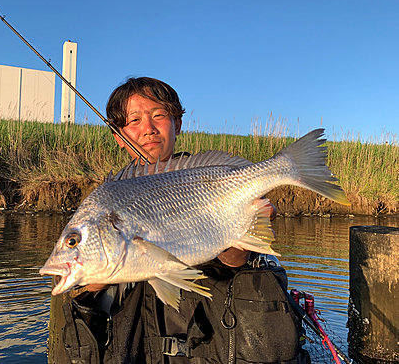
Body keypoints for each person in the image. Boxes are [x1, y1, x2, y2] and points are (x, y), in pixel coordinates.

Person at [47, 77, 310, 364]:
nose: (148, 129)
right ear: (118, 136)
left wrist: (242, 238)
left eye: (159, 116)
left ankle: (289, 167)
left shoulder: (204, 177)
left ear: (177, 125)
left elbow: (233, 266)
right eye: (134, 120)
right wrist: (91, 282)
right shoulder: (104, 199)